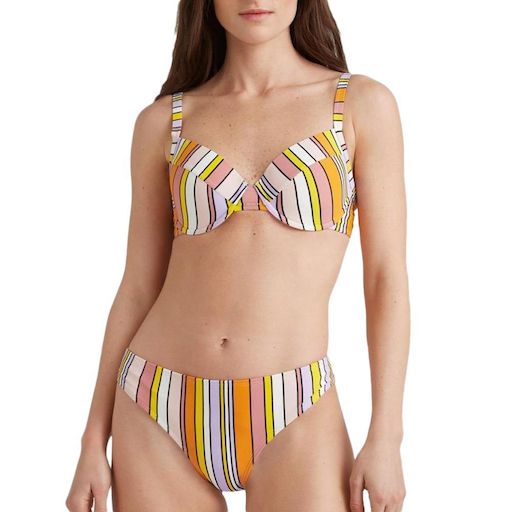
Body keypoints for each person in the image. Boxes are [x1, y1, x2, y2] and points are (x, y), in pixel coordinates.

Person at [66, 1, 409, 511]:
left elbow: (385, 278)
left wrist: (387, 435)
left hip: (295, 406)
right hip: (155, 402)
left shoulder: (359, 105)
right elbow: (137, 287)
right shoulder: (163, 122)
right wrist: (93, 440)